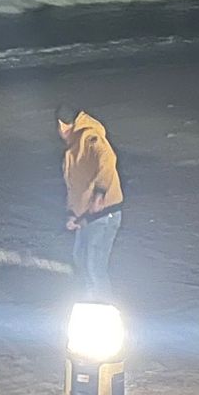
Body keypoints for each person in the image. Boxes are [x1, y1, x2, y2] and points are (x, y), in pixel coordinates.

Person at [57, 105, 124, 301]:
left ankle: (103, 308)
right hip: (87, 216)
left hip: (104, 213)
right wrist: (72, 213)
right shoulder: (71, 152)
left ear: (62, 126)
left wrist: (100, 193)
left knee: (94, 264)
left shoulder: (90, 138)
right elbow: (74, 187)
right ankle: (89, 302)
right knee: (80, 259)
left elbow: (107, 160)